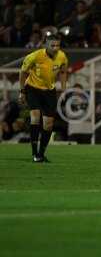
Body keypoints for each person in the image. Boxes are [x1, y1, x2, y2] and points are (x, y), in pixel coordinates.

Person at [18, 34, 68, 162]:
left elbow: (63, 71)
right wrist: (22, 91)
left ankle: (41, 153)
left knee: (48, 124)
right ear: (45, 44)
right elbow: (23, 73)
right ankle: (34, 153)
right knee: (35, 117)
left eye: (58, 45)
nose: (55, 48)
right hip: (32, 88)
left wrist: (63, 87)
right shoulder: (35, 56)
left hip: (49, 91)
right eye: (53, 45)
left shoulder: (62, 56)